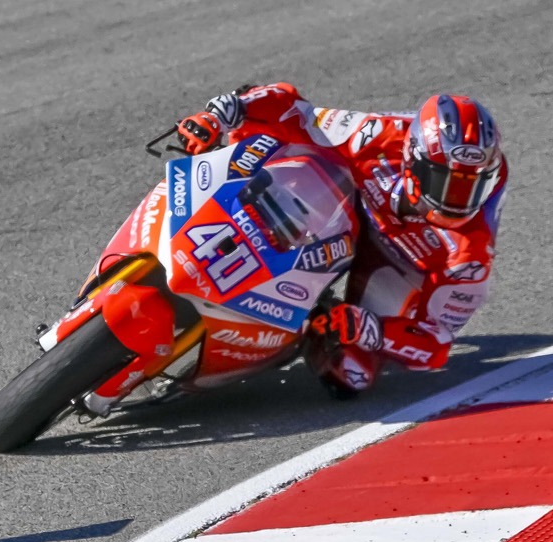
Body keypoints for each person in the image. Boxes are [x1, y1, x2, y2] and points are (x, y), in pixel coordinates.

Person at [174, 84, 506, 398]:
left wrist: (371, 329)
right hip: (346, 202)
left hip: (403, 259)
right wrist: (225, 112)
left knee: (351, 372)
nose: (457, 201)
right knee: (269, 141)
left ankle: (307, 325)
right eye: (445, 182)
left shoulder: (469, 257)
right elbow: (294, 108)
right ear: (414, 160)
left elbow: (436, 345)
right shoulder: (375, 135)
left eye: (471, 186)